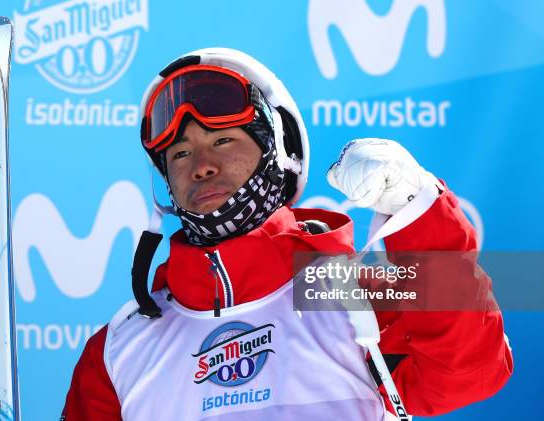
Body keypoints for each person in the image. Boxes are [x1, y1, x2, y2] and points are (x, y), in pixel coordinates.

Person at [61, 48, 513, 420]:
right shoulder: (119, 347)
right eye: (180, 153)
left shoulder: (358, 295)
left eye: (222, 141)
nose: (201, 166)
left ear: (277, 152)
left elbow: (471, 374)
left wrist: (419, 207)